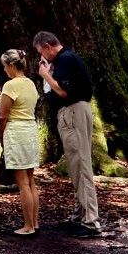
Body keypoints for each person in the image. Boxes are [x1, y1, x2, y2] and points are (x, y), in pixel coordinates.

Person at [33, 29, 101, 236]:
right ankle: (79, 215)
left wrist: (45, 75)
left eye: (41, 53)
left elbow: (63, 91)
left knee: (81, 164)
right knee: (74, 165)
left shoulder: (64, 60)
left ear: (48, 47)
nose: (41, 58)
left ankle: (91, 222)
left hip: (73, 112)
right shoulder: (67, 57)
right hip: (71, 112)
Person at [0, 49, 40, 236]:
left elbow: (3, 115)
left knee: (22, 182)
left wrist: (0, 136)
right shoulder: (30, 83)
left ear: (12, 66)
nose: (4, 70)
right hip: (30, 130)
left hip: (16, 132)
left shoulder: (11, 86)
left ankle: (28, 226)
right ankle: (35, 222)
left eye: (5, 66)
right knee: (30, 181)